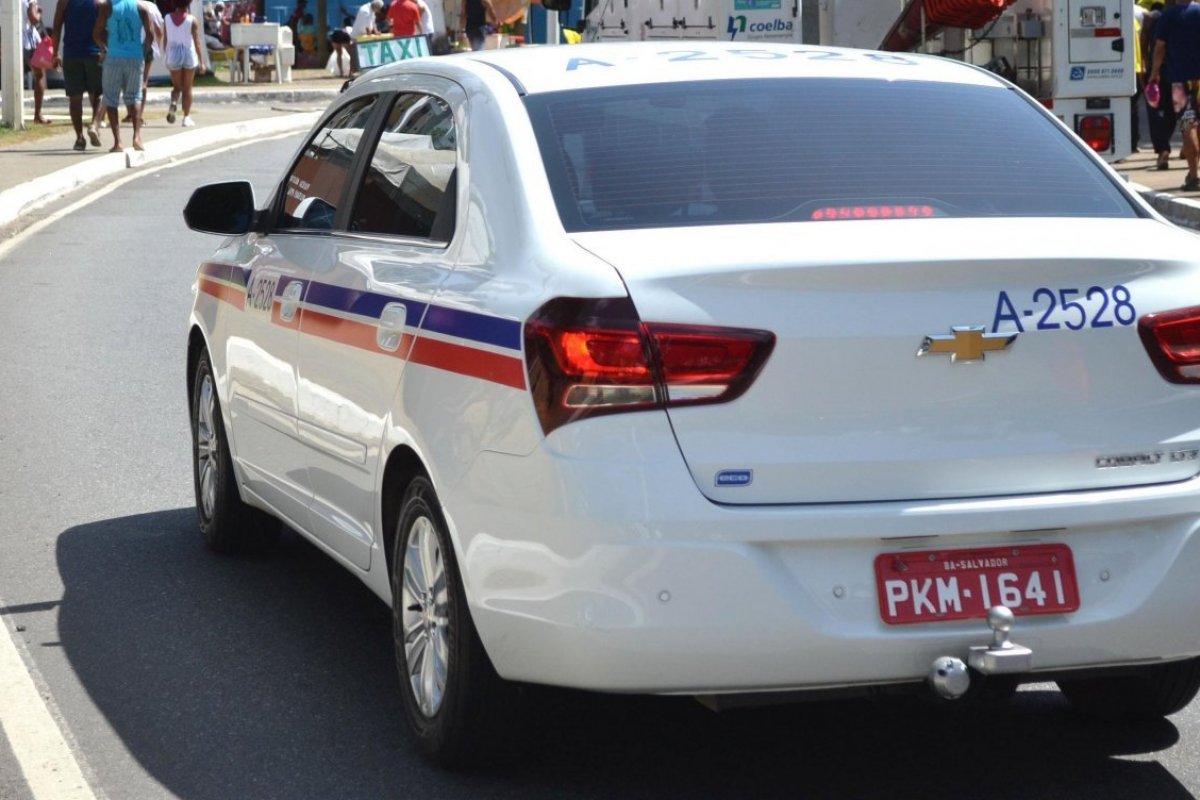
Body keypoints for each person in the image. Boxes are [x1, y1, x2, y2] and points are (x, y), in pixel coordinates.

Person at [1150, 0, 1200, 190]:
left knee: (1188, 127)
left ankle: (1194, 177)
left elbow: (1160, 47)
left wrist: (1154, 73)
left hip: (1180, 82)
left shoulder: (1168, 15)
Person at [94, 0, 150, 151]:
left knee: (111, 98)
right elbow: (150, 35)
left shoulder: (107, 6)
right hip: (135, 57)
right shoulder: (141, 7)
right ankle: (137, 137)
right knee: (135, 97)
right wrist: (143, 53)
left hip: (113, 57)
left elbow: (96, 33)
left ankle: (118, 142)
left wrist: (104, 48)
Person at [51, 0, 105, 150]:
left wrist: (55, 53)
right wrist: (105, 49)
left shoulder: (64, 2)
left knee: (75, 98)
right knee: (98, 93)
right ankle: (94, 125)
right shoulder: (99, 1)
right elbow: (106, 26)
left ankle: (79, 138)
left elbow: (56, 27)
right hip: (94, 53)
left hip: (71, 54)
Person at [1144, 1, 1177, 169]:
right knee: (1174, 111)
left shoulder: (1152, 18)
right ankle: (1165, 146)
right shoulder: (1187, 14)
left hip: (1158, 71)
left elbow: (1154, 45)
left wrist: (1151, 70)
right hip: (1179, 72)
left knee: (1155, 111)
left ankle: (1163, 149)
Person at [164, 0, 207, 127]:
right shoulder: (192, 20)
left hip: (173, 54)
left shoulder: (167, 18)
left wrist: (166, 55)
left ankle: (173, 102)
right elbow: (197, 41)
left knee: (177, 87)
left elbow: (165, 39)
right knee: (187, 88)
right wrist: (202, 62)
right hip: (188, 53)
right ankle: (186, 117)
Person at [131, 0, 164, 126]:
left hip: (128, 45)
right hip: (146, 45)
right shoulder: (151, 6)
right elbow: (158, 30)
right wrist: (157, 46)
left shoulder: (126, 4)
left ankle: (131, 113)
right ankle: (139, 115)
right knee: (143, 81)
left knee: (127, 81)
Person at [23, 0, 50, 124]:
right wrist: (38, 12)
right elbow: (33, 18)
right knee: (40, 74)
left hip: (12, 37)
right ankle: (37, 115)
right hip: (27, 40)